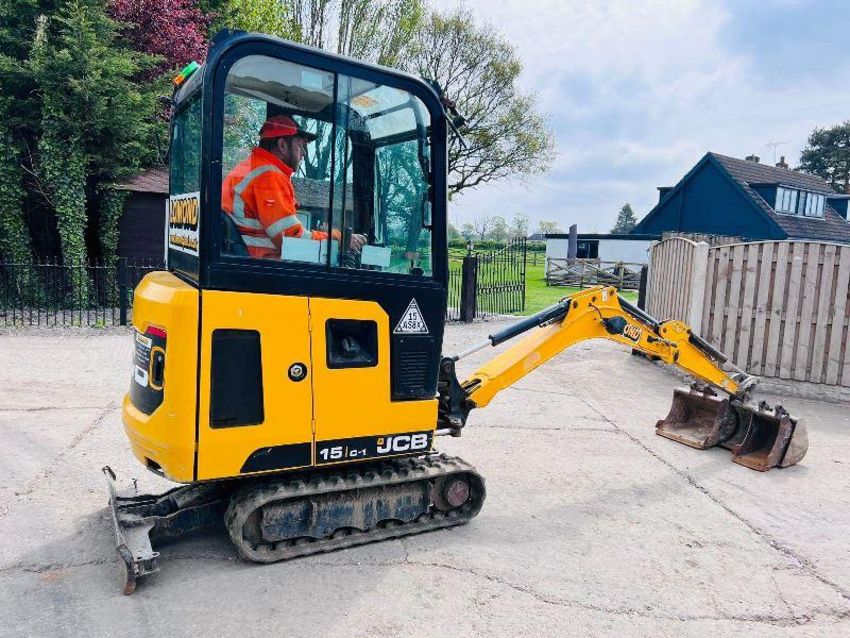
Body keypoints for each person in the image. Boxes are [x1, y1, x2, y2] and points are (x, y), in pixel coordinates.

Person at [222, 114, 367, 259]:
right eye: (301, 145)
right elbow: (291, 241)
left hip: (249, 261)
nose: (304, 152)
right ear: (282, 145)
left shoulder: (253, 168)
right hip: (260, 266)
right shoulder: (268, 176)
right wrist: (340, 240)